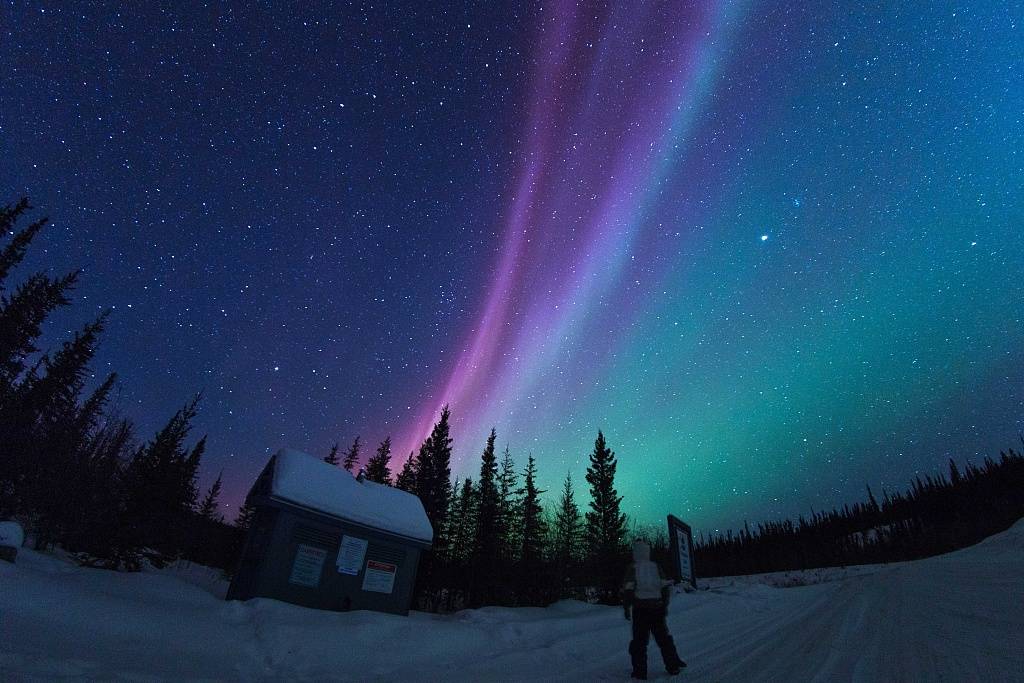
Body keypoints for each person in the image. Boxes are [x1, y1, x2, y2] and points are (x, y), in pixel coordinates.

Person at [622, 539, 685, 680]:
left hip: (640, 610)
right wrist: (664, 605)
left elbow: (628, 590)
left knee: (639, 642)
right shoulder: (655, 567)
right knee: (664, 639)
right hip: (656, 609)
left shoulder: (633, 567)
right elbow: (664, 588)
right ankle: (673, 666)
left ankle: (640, 672)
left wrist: (627, 608)